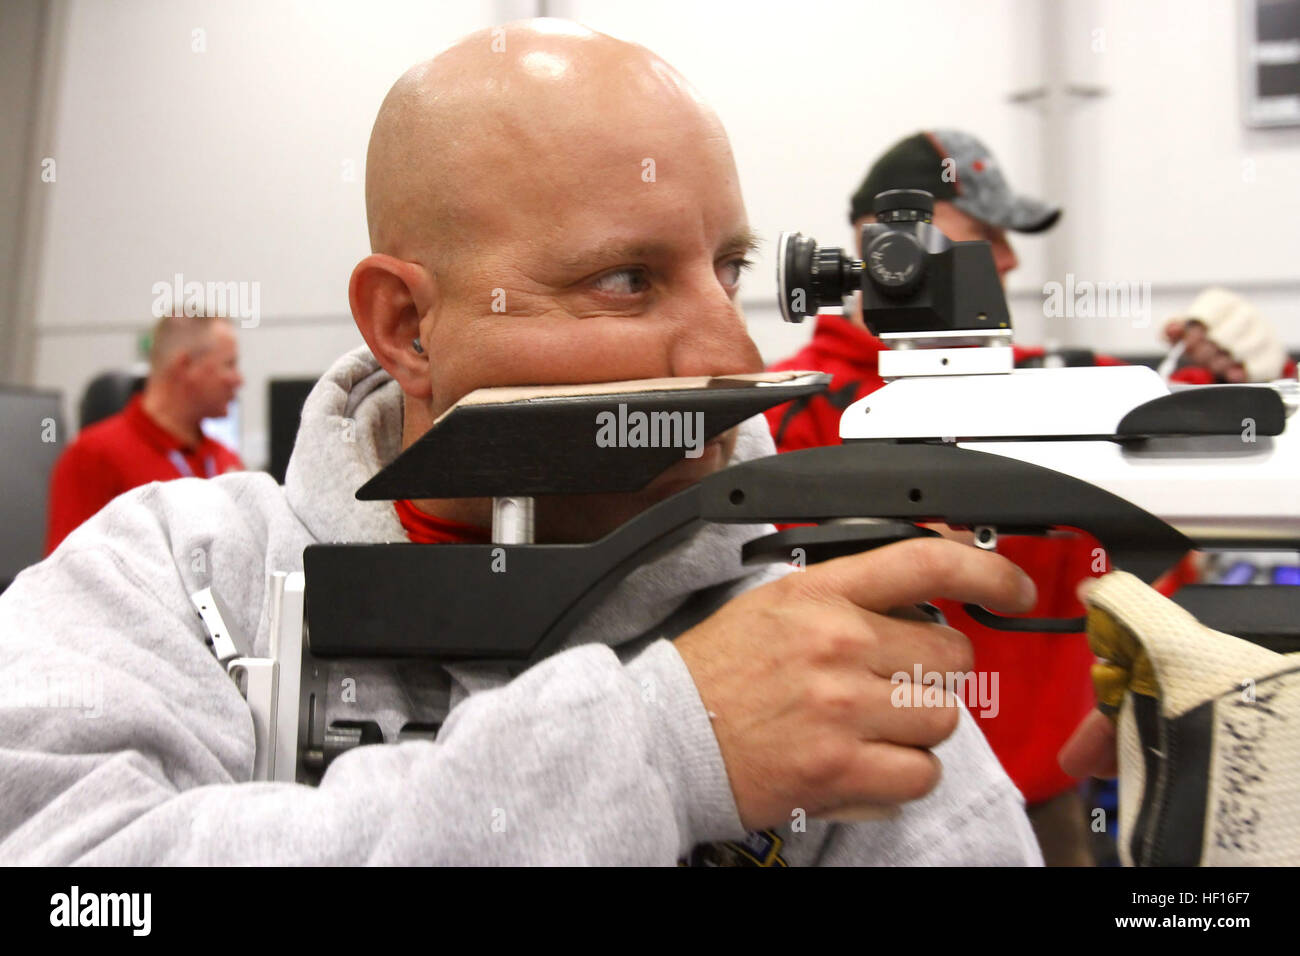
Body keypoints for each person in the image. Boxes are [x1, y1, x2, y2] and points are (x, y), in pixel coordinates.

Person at [0, 22, 1045, 866]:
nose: (730, 349)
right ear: (408, 326)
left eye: (727, 268)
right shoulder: (175, 574)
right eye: (626, 279)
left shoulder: (808, 635)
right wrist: (659, 747)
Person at [764, 129, 1291, 865]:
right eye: (984, 234)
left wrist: (1243, 368)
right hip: (875, 813)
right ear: (881, 242)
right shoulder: (789, 413)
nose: (1008, 258)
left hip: (1055, 802)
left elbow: (1219, 418)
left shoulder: (1047, 389)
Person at [45, 312, 244, 554]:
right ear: (186, 366)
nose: (238, 379)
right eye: (229, 365)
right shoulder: (93, 455)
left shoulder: (226, 460)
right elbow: (67, 574)